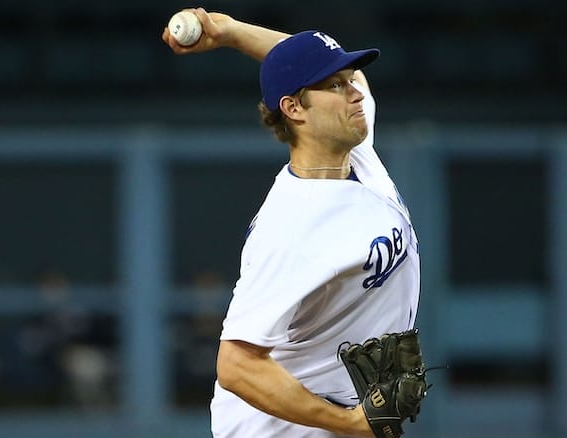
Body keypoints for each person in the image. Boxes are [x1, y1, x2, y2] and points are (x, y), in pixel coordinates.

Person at [162, 8, 421, 437]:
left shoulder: (356, 155)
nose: (354, 91)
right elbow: (236, 366)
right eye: (335, 85)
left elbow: (312, 68)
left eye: (349, 79)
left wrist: (230, 32)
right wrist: (351, 423)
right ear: (294, 108)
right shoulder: (291, 229)